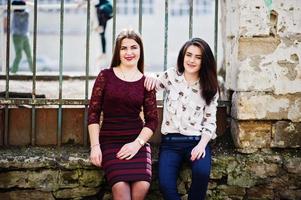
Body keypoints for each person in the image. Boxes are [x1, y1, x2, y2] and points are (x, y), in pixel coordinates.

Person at [145, 38, 219, 200]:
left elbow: (210, 121)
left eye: (198, 57)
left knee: (201, 173)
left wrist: (201, 145)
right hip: (171, 143)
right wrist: (150, 75)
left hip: (197, 141)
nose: (192, 60)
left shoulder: (210, 86)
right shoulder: (171, 75)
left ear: (204, 61)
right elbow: (152, 84)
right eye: (189, 55)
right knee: (165, 184)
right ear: (183, 56)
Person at [88, 29, 158, 200]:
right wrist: (95, 146)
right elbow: (93, 113)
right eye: (123, 48)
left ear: (140, 51)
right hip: (110, 142)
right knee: (121, 190)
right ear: (117, 52)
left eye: (133, 47)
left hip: (137, 142)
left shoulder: (146, 82)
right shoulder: (105, 76)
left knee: (141, 187)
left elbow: (152, 121)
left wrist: (136, 144)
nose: (129, 52)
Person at [11, 0, 33, 73]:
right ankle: (13, 71)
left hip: (24, 35)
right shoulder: (15, 13)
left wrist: (25, 3)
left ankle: (33, 71)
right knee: (19, 55)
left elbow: (32, 6)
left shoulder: (26, 13)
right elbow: (12, 4)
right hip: (17, 36)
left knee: (29, 54)